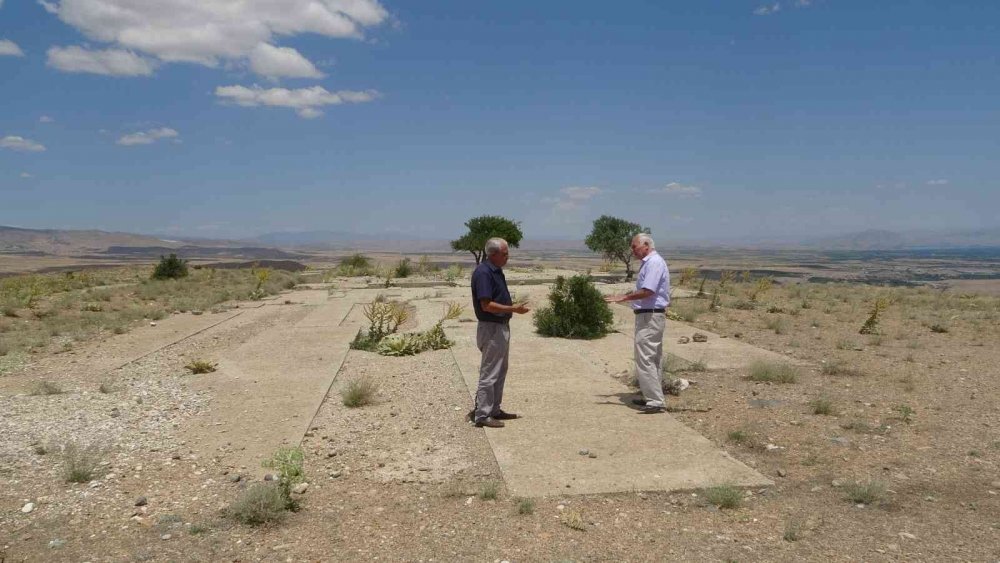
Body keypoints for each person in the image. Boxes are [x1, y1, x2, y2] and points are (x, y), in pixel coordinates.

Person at [466, 237, 530, 428]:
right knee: (490, 372)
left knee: (500, 370)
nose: (507, 257)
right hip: (491, 327)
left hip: (500, 326)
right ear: (493, 254)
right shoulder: (484, 273)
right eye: (505, 254)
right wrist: (513, 309)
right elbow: (487, 305)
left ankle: (494, 409)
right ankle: (483, 414)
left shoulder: (495, 271)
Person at [604, 233, 671, 414]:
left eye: (634, 246)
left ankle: (655, 401)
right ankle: (653, 397)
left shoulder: (654, 263)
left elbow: (648, 290)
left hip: (649, 316)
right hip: (649, 315)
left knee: (646, 358)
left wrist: (624, 297)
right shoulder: (651, 263)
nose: (632, 250)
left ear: (646, 245)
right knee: (652, 358)